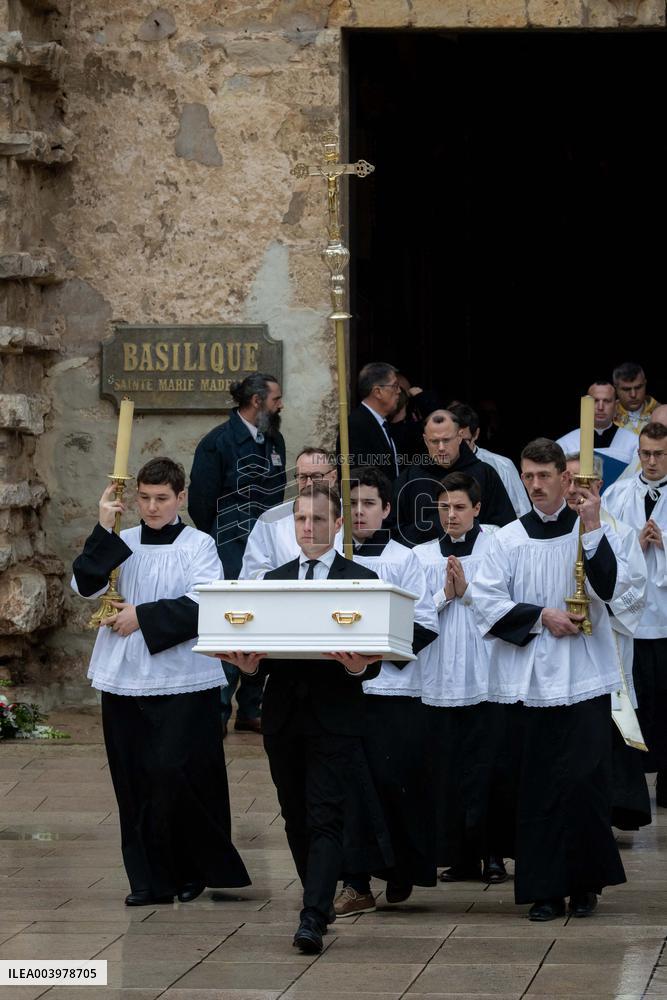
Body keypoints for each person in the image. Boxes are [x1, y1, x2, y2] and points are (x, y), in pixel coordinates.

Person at [71, 457, 250, 905]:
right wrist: (102, 529)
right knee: (133, 778)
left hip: (183, 675)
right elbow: (85, 584)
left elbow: (204, 602)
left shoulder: (198, 544)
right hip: (123, 676)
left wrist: (142, 617)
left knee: (177, 773)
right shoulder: (122, 541)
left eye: (162, 499)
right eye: (145, 499)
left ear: (180, 498)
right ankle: (149, 880)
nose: (152, 508)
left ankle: (191, 870)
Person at [472, 438, 632, 921]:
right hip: (528, 681)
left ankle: (585, 884)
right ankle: (544, 888)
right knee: (537, 785)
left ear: (567, 479)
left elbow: (610, 587)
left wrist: (591, 526)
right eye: (528, 476)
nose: (535, 485)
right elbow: (487, 599)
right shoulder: (507, 538)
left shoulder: (594, 529)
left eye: (544, 476)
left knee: (584, 781)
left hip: (583, 673)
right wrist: (542, 616)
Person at [218, 483, 381, 955]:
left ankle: (312, 915)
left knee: (325, 814)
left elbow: (374, 655)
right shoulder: (274, 580)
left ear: (337, 524)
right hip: (284, 716)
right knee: (294, 815)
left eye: (316, 519)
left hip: (337, 715)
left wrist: (356, 665)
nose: (307, 527)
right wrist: (249, 668)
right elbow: (265, 652)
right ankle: (320, 897)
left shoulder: (361, 578)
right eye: (300, 520)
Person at [334, 468, 439, 917]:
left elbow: (426, 623)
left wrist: (373, 656)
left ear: (387, 509)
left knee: (393, 786)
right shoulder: (331, 557)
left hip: (393, 692)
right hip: (340, 691)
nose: (359, 512)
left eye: (369, 504)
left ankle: (399, 870)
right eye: (352, 504)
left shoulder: (405, 560)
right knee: (349, 791)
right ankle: (355, 882)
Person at [413, 473, 511, 886]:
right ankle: (458, 855)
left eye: (458, 508)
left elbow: (503, 599)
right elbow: (415, 611)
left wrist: (467, 592)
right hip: (439, 671)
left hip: (485, 667)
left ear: (476, 509)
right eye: (443, 508)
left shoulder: (496, 547)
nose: (450, 516)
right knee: (447, 768)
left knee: (486, 766)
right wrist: (444, 596)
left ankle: (492, 854)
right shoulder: (419, 555)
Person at [189, 373, 286, 733]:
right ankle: (218, 710)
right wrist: (220, 537)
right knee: (232, 621)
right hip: (229, 543)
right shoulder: (217, 442)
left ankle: (251, 708)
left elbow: (277, 495)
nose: (281, 404)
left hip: (266, 543)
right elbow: (202, 501)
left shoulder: (275, 440)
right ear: (257, 400)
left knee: (264, 621)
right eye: (276, 398)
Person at [564, 453, 650, 832]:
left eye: (581, 481)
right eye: (567, 480)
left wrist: (602, 605)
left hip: (607, 640)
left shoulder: (620, 531)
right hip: (564, 641)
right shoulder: (553, 531)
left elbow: (636, 588)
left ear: (597, 486)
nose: (573, 489)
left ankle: (615, 807)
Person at [603, 422, 667, 805]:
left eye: (660, 453)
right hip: (631, 622)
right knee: (634, 701)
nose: (652, 460)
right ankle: (632, 791)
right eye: (646, 453)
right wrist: (634, 545)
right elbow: (605, 547)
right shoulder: (618, 493)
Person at [392, 409, 515, 546]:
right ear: (426, 441)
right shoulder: (410, 478)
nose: (441, 447)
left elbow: (505, 528)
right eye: (434, 441)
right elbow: (394, 532)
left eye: (446, 440)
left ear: (459, 436)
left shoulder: (485, 474)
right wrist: (432, 527)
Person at [241, 447, 342, 579]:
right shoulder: (271, 520)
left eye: (317, 476)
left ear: (333, 477)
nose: (309, 483)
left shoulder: (350, 514)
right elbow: (254, 572)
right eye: (303, 477)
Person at [448, 402, 530, 517]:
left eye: (464, 441)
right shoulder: (434, 466)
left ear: (476, 434)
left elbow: (522, 512)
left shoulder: (502, 466)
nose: (458, 447)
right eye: (451, 440)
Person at [557, 381, 638, 484]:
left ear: (616, 405)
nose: (600, 407)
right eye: (595, 401)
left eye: (607, 401)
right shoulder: (565, 444)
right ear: (585, 404)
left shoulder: (634, 443)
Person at [340, 362, 402, 481]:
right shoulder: (356, 425)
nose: (399, 391)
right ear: (378, 392)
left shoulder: (381, 423)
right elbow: (360, 475)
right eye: (395, 386)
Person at [613, 361, 660, 435]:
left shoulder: (662, 413)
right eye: (626, 389)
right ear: (616, 388)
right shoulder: (607, 416)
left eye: (638, 387)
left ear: (645, 383)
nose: (633, 395)